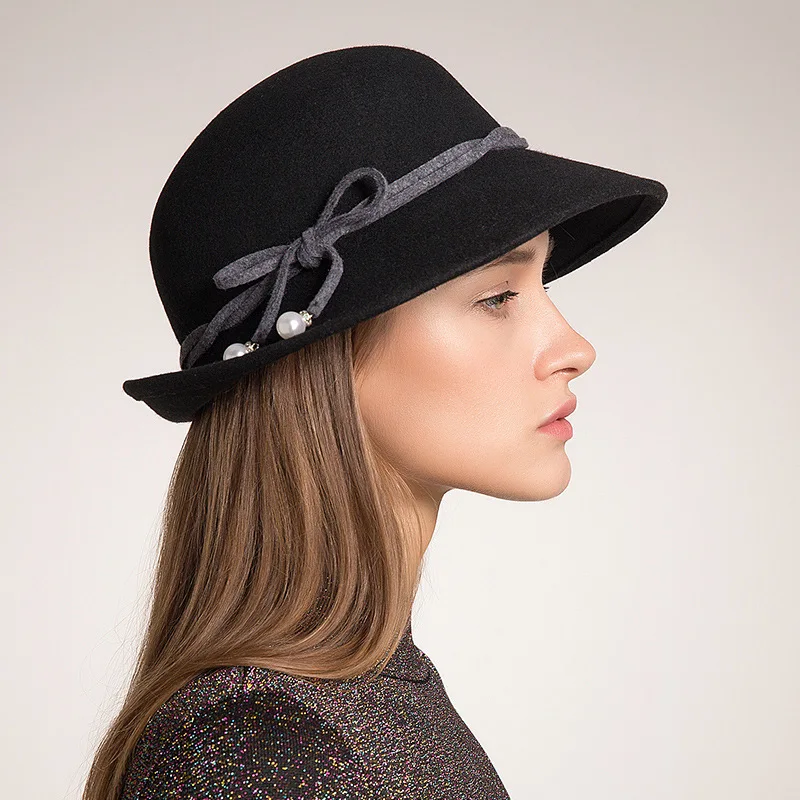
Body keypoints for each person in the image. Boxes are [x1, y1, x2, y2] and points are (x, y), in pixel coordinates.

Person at [82, 45, 667, 799]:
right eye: (497, 297)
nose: (574, 350)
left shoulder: (361, 693)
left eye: (542, 284)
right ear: (323, 353)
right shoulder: (263, 742)